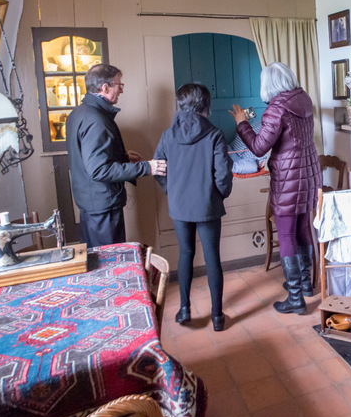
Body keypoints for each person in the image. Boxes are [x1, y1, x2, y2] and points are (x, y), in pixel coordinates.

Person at [230, 62, 320, 315]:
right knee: (302, 228)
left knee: (287, 234)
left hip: (289, 177)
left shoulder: (276, 109)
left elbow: (259, 147)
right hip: (308, 172)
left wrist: (242, 123)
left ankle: (295, 298)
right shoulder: (303, 99)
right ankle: (304, 284)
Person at [154, 83, 233, 331]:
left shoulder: (167, 135)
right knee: (212, 258)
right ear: (205, 105)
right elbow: (223, 174)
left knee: (185, 253)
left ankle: (185, 309)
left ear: (180, 104)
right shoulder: (214, 135)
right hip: (207, 205)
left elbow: (158, 168)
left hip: (179, 206)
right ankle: (217, 316)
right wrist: (218, 195)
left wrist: (171, 191)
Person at [66, 64, 164, 247]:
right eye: (119, 85)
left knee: (95, 256)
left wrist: (122, 157)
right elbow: (99, 170)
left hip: (91, 203)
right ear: (105, 87)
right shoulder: (97, 120)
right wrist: (147, 167)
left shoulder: (78, 113)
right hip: (102, 207)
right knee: (109, 258)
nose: (122, 90)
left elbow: (87, 158)